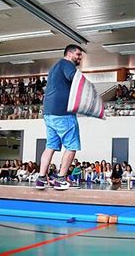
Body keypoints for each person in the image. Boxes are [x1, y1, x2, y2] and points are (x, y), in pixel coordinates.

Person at [36, 44, 84, 191]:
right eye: (78, 54)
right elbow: (76, 80)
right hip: (63, 113)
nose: (80, 57)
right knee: (72, 146)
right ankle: (61, 179)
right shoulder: (67, 64)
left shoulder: (55, 67)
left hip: (49, 113)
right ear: (69, 54)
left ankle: (41, 178)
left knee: (50, 146)